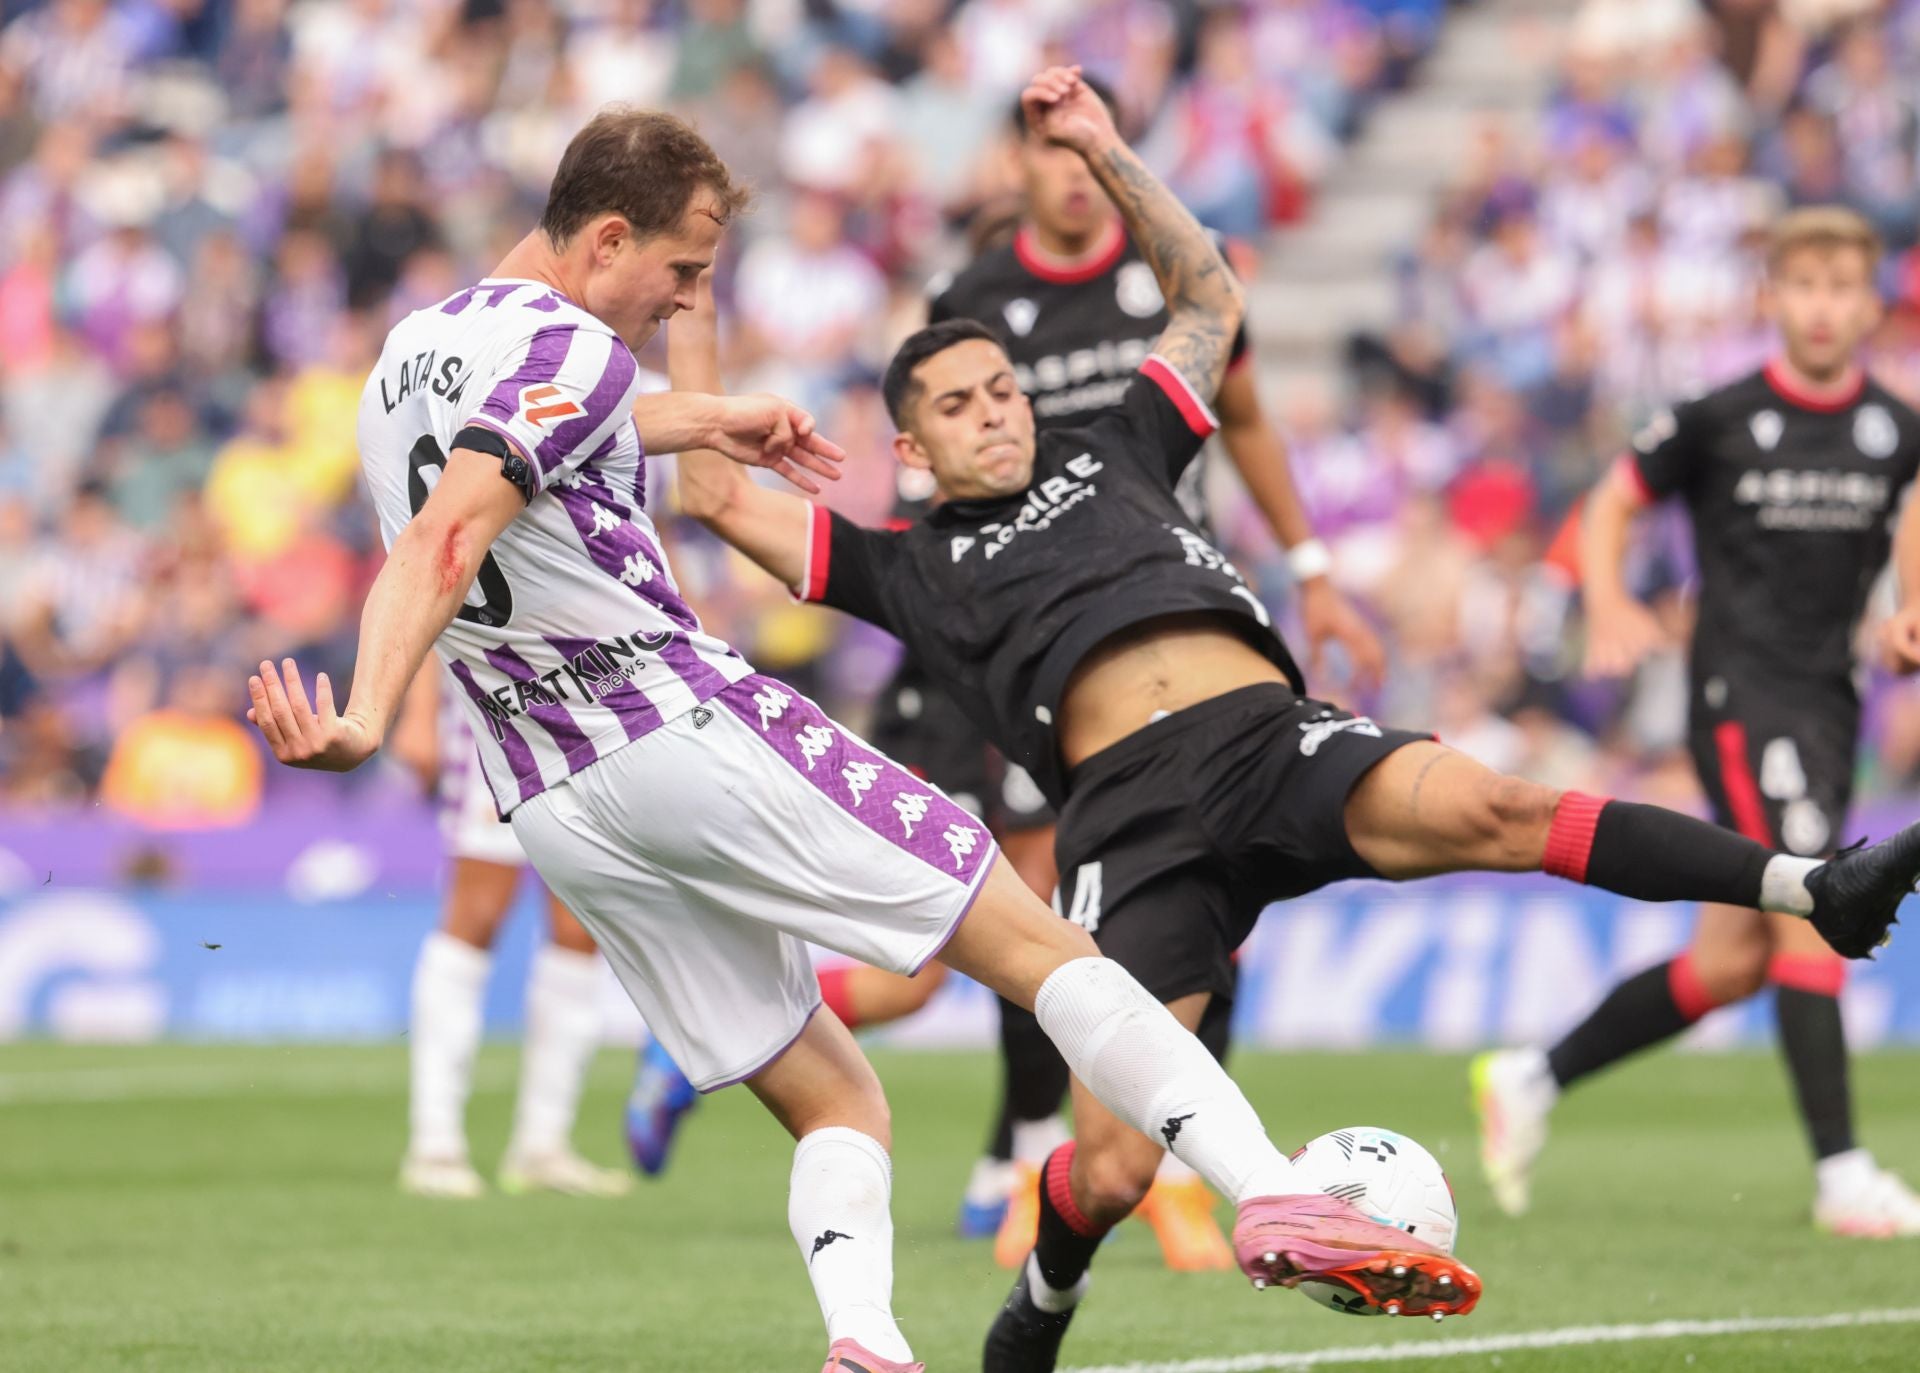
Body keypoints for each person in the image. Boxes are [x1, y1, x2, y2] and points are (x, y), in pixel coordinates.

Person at [677, 71, 1914, 1372]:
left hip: (1274, 740)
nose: (997, 409)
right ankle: (1041, 1300)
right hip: (1132, 820)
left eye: (1003, 388)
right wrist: (697, 307)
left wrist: (1107, 153)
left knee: (1498, 806)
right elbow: (708, 488)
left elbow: (1211, 295)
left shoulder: (1118, 443)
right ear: (913, 450)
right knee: (1106, 1166)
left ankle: (1813, 887)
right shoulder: (901, 564)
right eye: (959, 404)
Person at [242, 96, 1485, 1373]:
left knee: (834, 1094)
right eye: (681, 273)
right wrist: (362, 714)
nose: (681, 305)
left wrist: (701, 420)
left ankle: (867, 1345)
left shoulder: (407, 355)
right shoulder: (577, 348)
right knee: (1038, 938)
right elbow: (459, 526)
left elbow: (513, 450)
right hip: (677, 725)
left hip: (558, 801)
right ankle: (1270, 1183)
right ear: (606, 239)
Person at [915, 75, 1387, 1268]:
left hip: (1190, 618)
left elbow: (1247, 413)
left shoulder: (1163, 274)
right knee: (1039, 898)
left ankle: (1164, 1157)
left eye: (1085, 149)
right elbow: (928, 475)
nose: (1069, 169)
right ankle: (1030, 1142)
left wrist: (1315, 563)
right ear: (1016, 161)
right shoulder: (973, 302)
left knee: (1209, 903)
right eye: (1044, 149)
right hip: (1046, 652)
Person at [1474, 206, 1920, 1238]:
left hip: (1826, 698)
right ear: (1773, 297)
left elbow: (1912, 516)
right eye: (1801, 285)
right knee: (1816, 895)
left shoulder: (1894, 427)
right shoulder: (1719, 414)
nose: (1819, 305)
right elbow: (1614, 500)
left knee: (1732, 959)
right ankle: (1843, 1170)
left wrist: (1905, 608)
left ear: (1868, 303)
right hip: (1741, 692)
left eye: (1839, 287)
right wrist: (1612, 597)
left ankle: (1533, 1075)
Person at [386, 660, 633, 1198]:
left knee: (579, 925)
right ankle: (435, 1145)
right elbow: (436, 579)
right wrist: (419, 712)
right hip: (491, 696)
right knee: (476, 913)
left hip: (589, 704)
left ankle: (543, 1146)